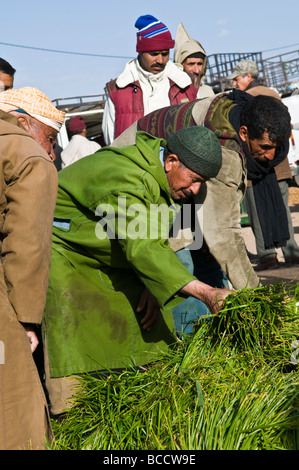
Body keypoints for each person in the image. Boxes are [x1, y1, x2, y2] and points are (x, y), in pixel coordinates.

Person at [42, 126, 232, 415]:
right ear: (171, 162)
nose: (196, 190)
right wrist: (206, 292)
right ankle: (75, 414)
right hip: (68, 257)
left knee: (153, 331)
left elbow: (147, 238)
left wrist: (151, 285)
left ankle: (141, 403)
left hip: (113, 253)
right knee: (77, 345)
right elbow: (142, 246)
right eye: (194, 180)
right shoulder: (128, 177)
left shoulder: (162, 177)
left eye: (201, 182)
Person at [112, 91, 292, 290]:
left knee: (209, 263)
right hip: (134, 181)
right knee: (181, 267)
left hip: (176, 186)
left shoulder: (240, 109)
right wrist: (257, 295)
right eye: (265, 147)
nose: (271, 156)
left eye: (277, 147)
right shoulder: (226, 152)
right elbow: (223, 233)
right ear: (244, 133)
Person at [0, 87, 65, 449]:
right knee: (15, 398)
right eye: (50, 138)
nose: (51, 152)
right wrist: (25, 322)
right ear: (23, 122)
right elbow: (26, 243)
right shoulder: (27, 155)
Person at [227, 60, 299, 270]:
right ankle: (292, 252)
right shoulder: (274, 93)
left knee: (257, 212)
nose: (235, 82)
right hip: (280, 166)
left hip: (256, 166)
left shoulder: (246, 100)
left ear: (248, 76)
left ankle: (267, 255)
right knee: (282, 208)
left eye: (237, 78)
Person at [102, 14, 198, 146]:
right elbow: (111, 139)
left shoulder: (186, 84)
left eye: (165, 54)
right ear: (140, 52)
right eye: (154, 54)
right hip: (134, 164)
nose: (160, 60)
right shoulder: (117, 91)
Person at [174, 22, 214, 99]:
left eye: (199, 64)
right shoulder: (174, 92)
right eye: (191, 64)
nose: (196, 70)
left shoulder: (207, 91)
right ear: (180, 65)